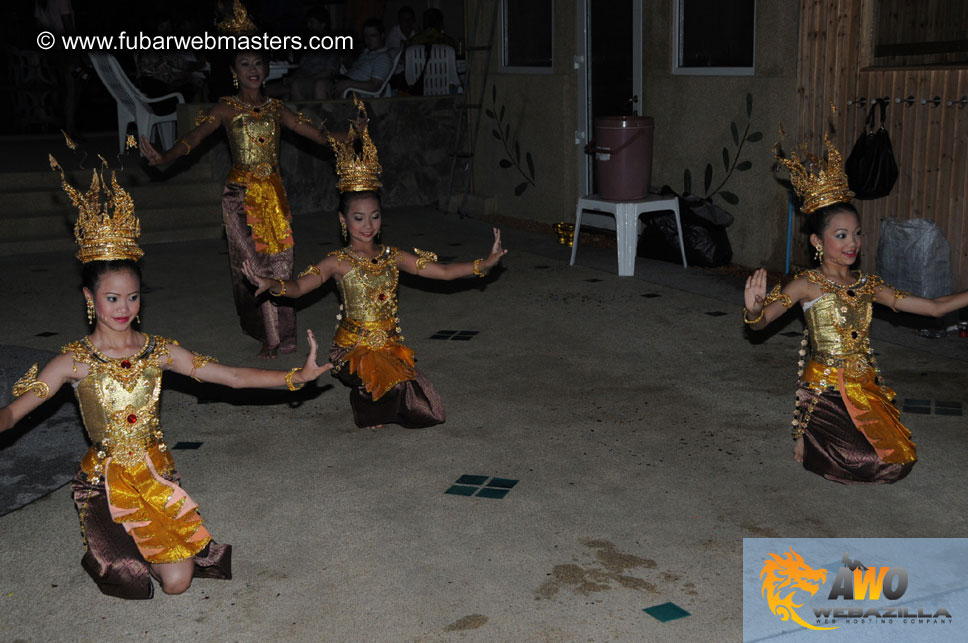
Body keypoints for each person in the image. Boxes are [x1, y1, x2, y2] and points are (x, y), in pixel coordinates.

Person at [0, 157, 331, 599]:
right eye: (112, 298)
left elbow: (229, 376)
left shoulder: (157, 351)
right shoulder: (74, 361)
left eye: (133, 297)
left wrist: (296, 377)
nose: (124, 309)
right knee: (129, 576)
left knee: (177, 582)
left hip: (154, 475)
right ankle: (107, 542)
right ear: (89, 296)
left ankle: (142, 543)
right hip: (103, 480)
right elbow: (15, 412)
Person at [243, 97, 507, 429]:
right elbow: (298, 288)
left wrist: (484, 264)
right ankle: (367, 404)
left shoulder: (392, 256)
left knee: (429, 409)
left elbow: (441, 271)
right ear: (343, 220)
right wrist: (272, 285)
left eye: (374, 216)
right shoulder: (338, 262)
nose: (367, 226)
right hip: (350, 351)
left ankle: (380, 396)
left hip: (390, 345)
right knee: (389, 387)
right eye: (358, 218)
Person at [744, 133, 968, 484]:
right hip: (824, 391)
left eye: (858, 233)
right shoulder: (807, 284)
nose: (853, 243)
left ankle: (816, 440)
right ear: (818, 242)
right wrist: (756, 309)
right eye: (842, 235)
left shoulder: (869, 285)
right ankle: (808, 434)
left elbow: (935, 308)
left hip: (863, 386)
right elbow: (760, 325)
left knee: (900, 460)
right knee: (868, 463)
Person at [140, 45, 340, 359]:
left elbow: (315, 135)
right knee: (250, 266)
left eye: (258, 63)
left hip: (273, 196)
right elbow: (193, 138)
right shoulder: (225, 108)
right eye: (244, 64)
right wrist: (166, 156)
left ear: (266, 69)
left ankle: (284, 336)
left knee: (281, 265)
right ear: (234, 73)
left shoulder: (277, 108)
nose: (252, 69)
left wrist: (354, 136)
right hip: (239, 197)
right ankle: (268, 335)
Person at [325, 18, 392, 99]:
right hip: (343, 82)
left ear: (382, 36)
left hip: (354, 93)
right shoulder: (367, 52)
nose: (369, 40)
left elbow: (375, 85)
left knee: (320, 85)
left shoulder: (383, 57)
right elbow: (355, 69)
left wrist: (348, 83)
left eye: (373, 36)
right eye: (366, 36)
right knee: (319, 81)